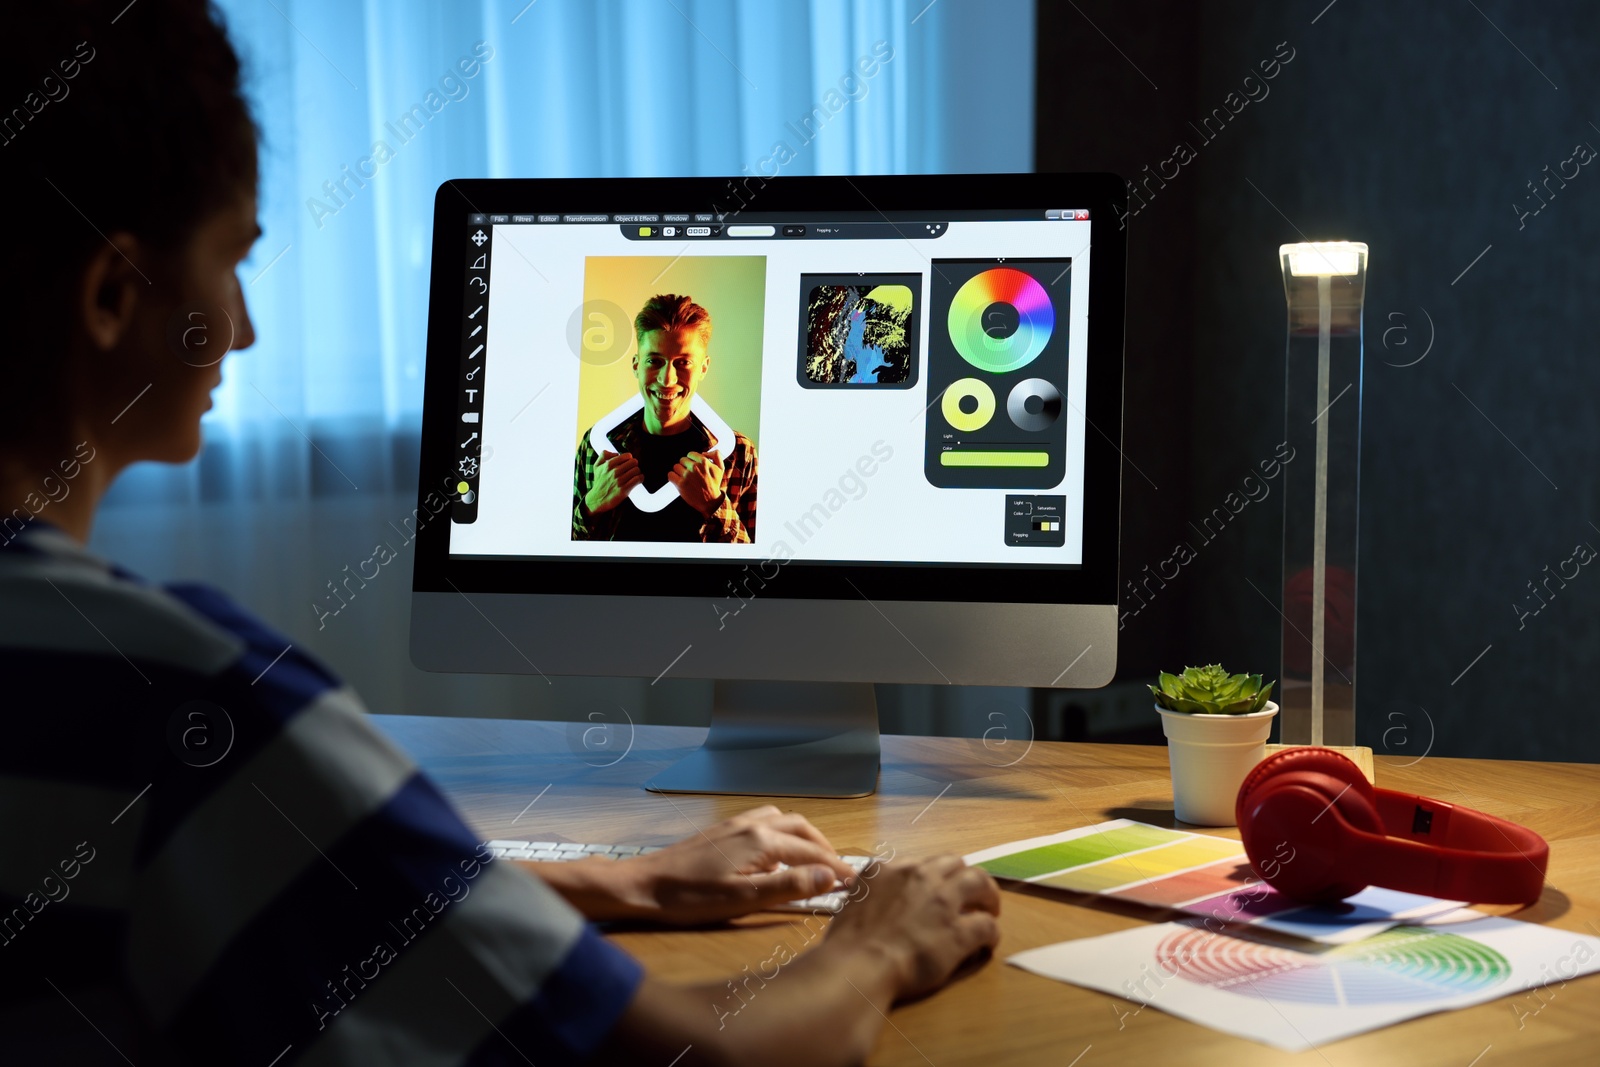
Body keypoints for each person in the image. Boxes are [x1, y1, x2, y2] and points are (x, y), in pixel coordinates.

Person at [0, 5, 1000, 1066]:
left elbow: (324, 892)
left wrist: (626, 878)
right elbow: (696, 1055)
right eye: (229, 259)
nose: (243, 325)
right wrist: (876, 946)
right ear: (113, 294)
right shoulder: (195, 707)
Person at [571, 295, 759, 543]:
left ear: (703, 368)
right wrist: (593, 504)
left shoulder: (738, 453)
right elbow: (559, 554)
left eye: (683, 362)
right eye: (654, 361)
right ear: (636, 366)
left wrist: (714, 505)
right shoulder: (599, 446)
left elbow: (758, 566)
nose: (667, 379)